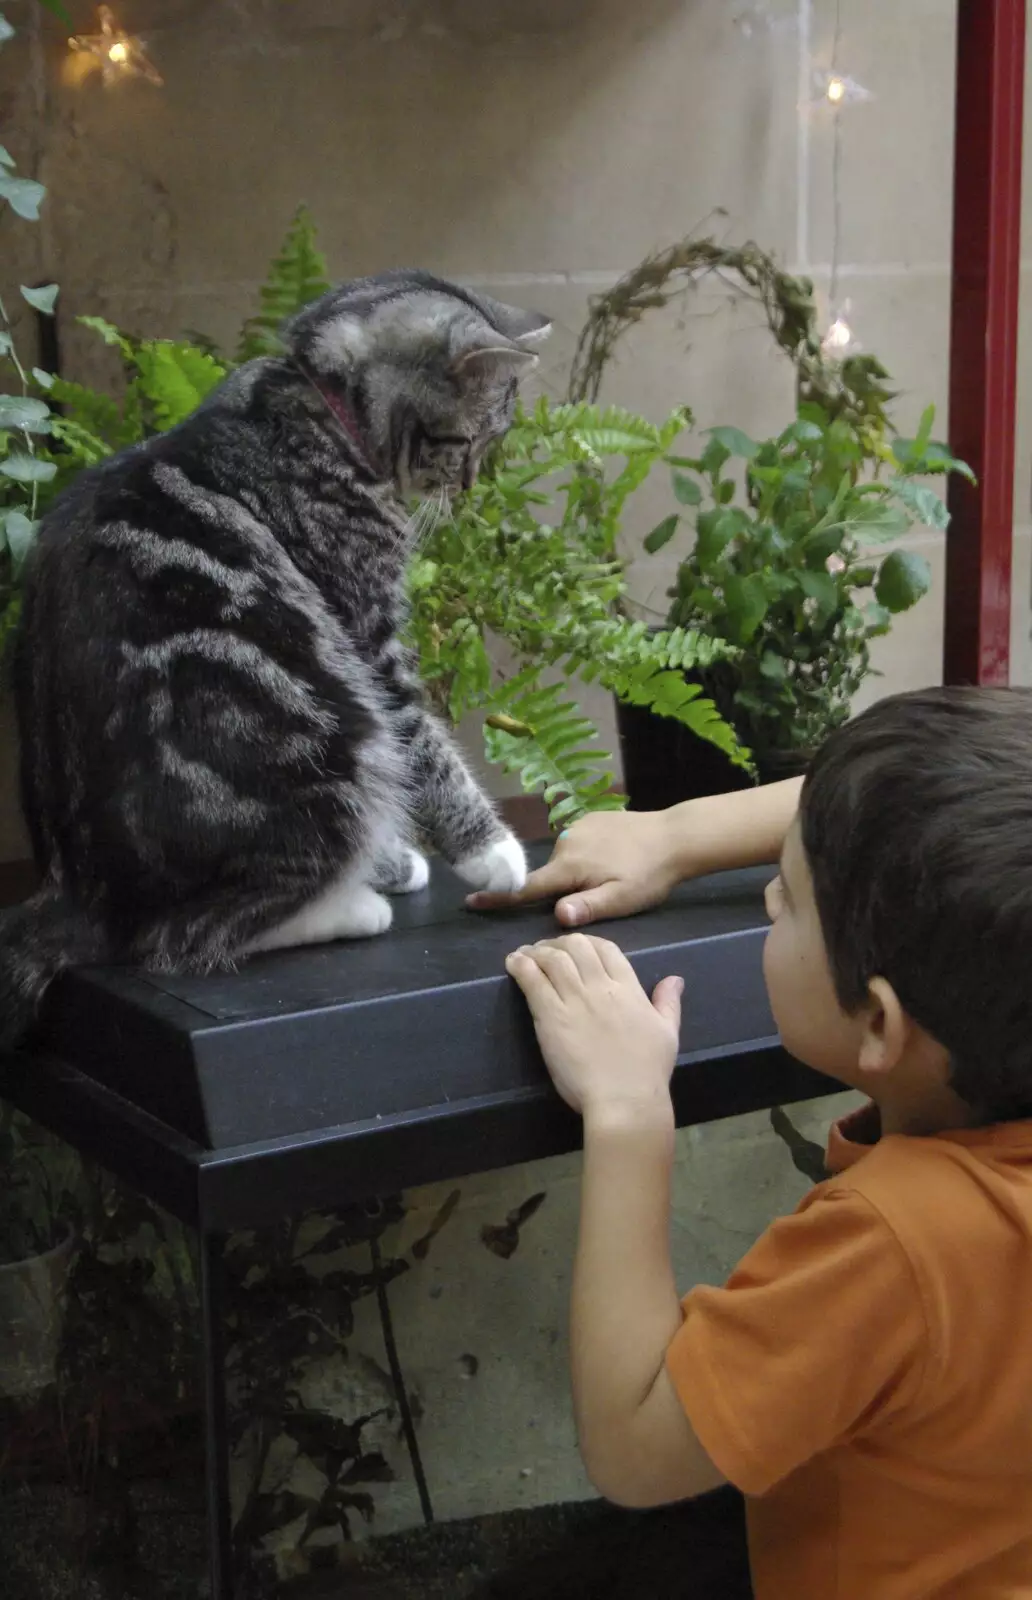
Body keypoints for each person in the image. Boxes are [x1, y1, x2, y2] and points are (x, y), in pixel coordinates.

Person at [499, 686, 1032, 1600]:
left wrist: (628, 1111)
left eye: (786, 900)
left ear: (879, 1020)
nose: (764, 897)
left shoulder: (895, 1247)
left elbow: (637, 1447)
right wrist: (679, 835)